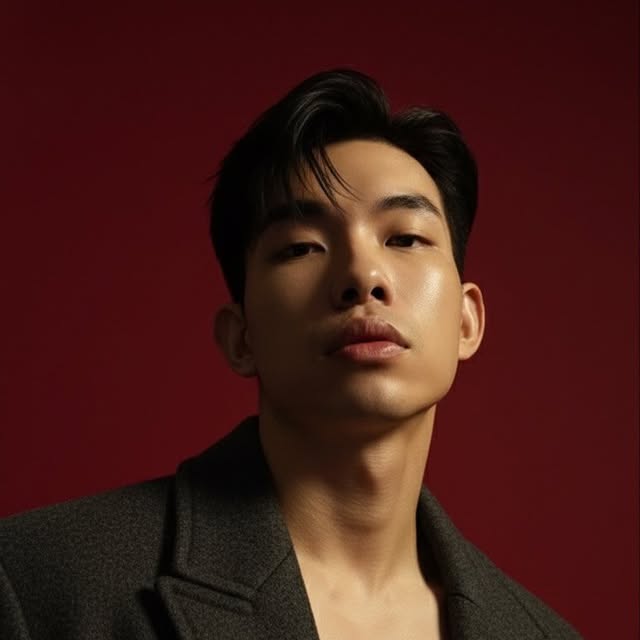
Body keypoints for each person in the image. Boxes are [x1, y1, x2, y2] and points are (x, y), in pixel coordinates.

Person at [0, 69, 581, 639]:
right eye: (302, 247)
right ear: (241, 337)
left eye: (404, 238)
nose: (363, 276)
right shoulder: (34, 583)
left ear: (466, 320)